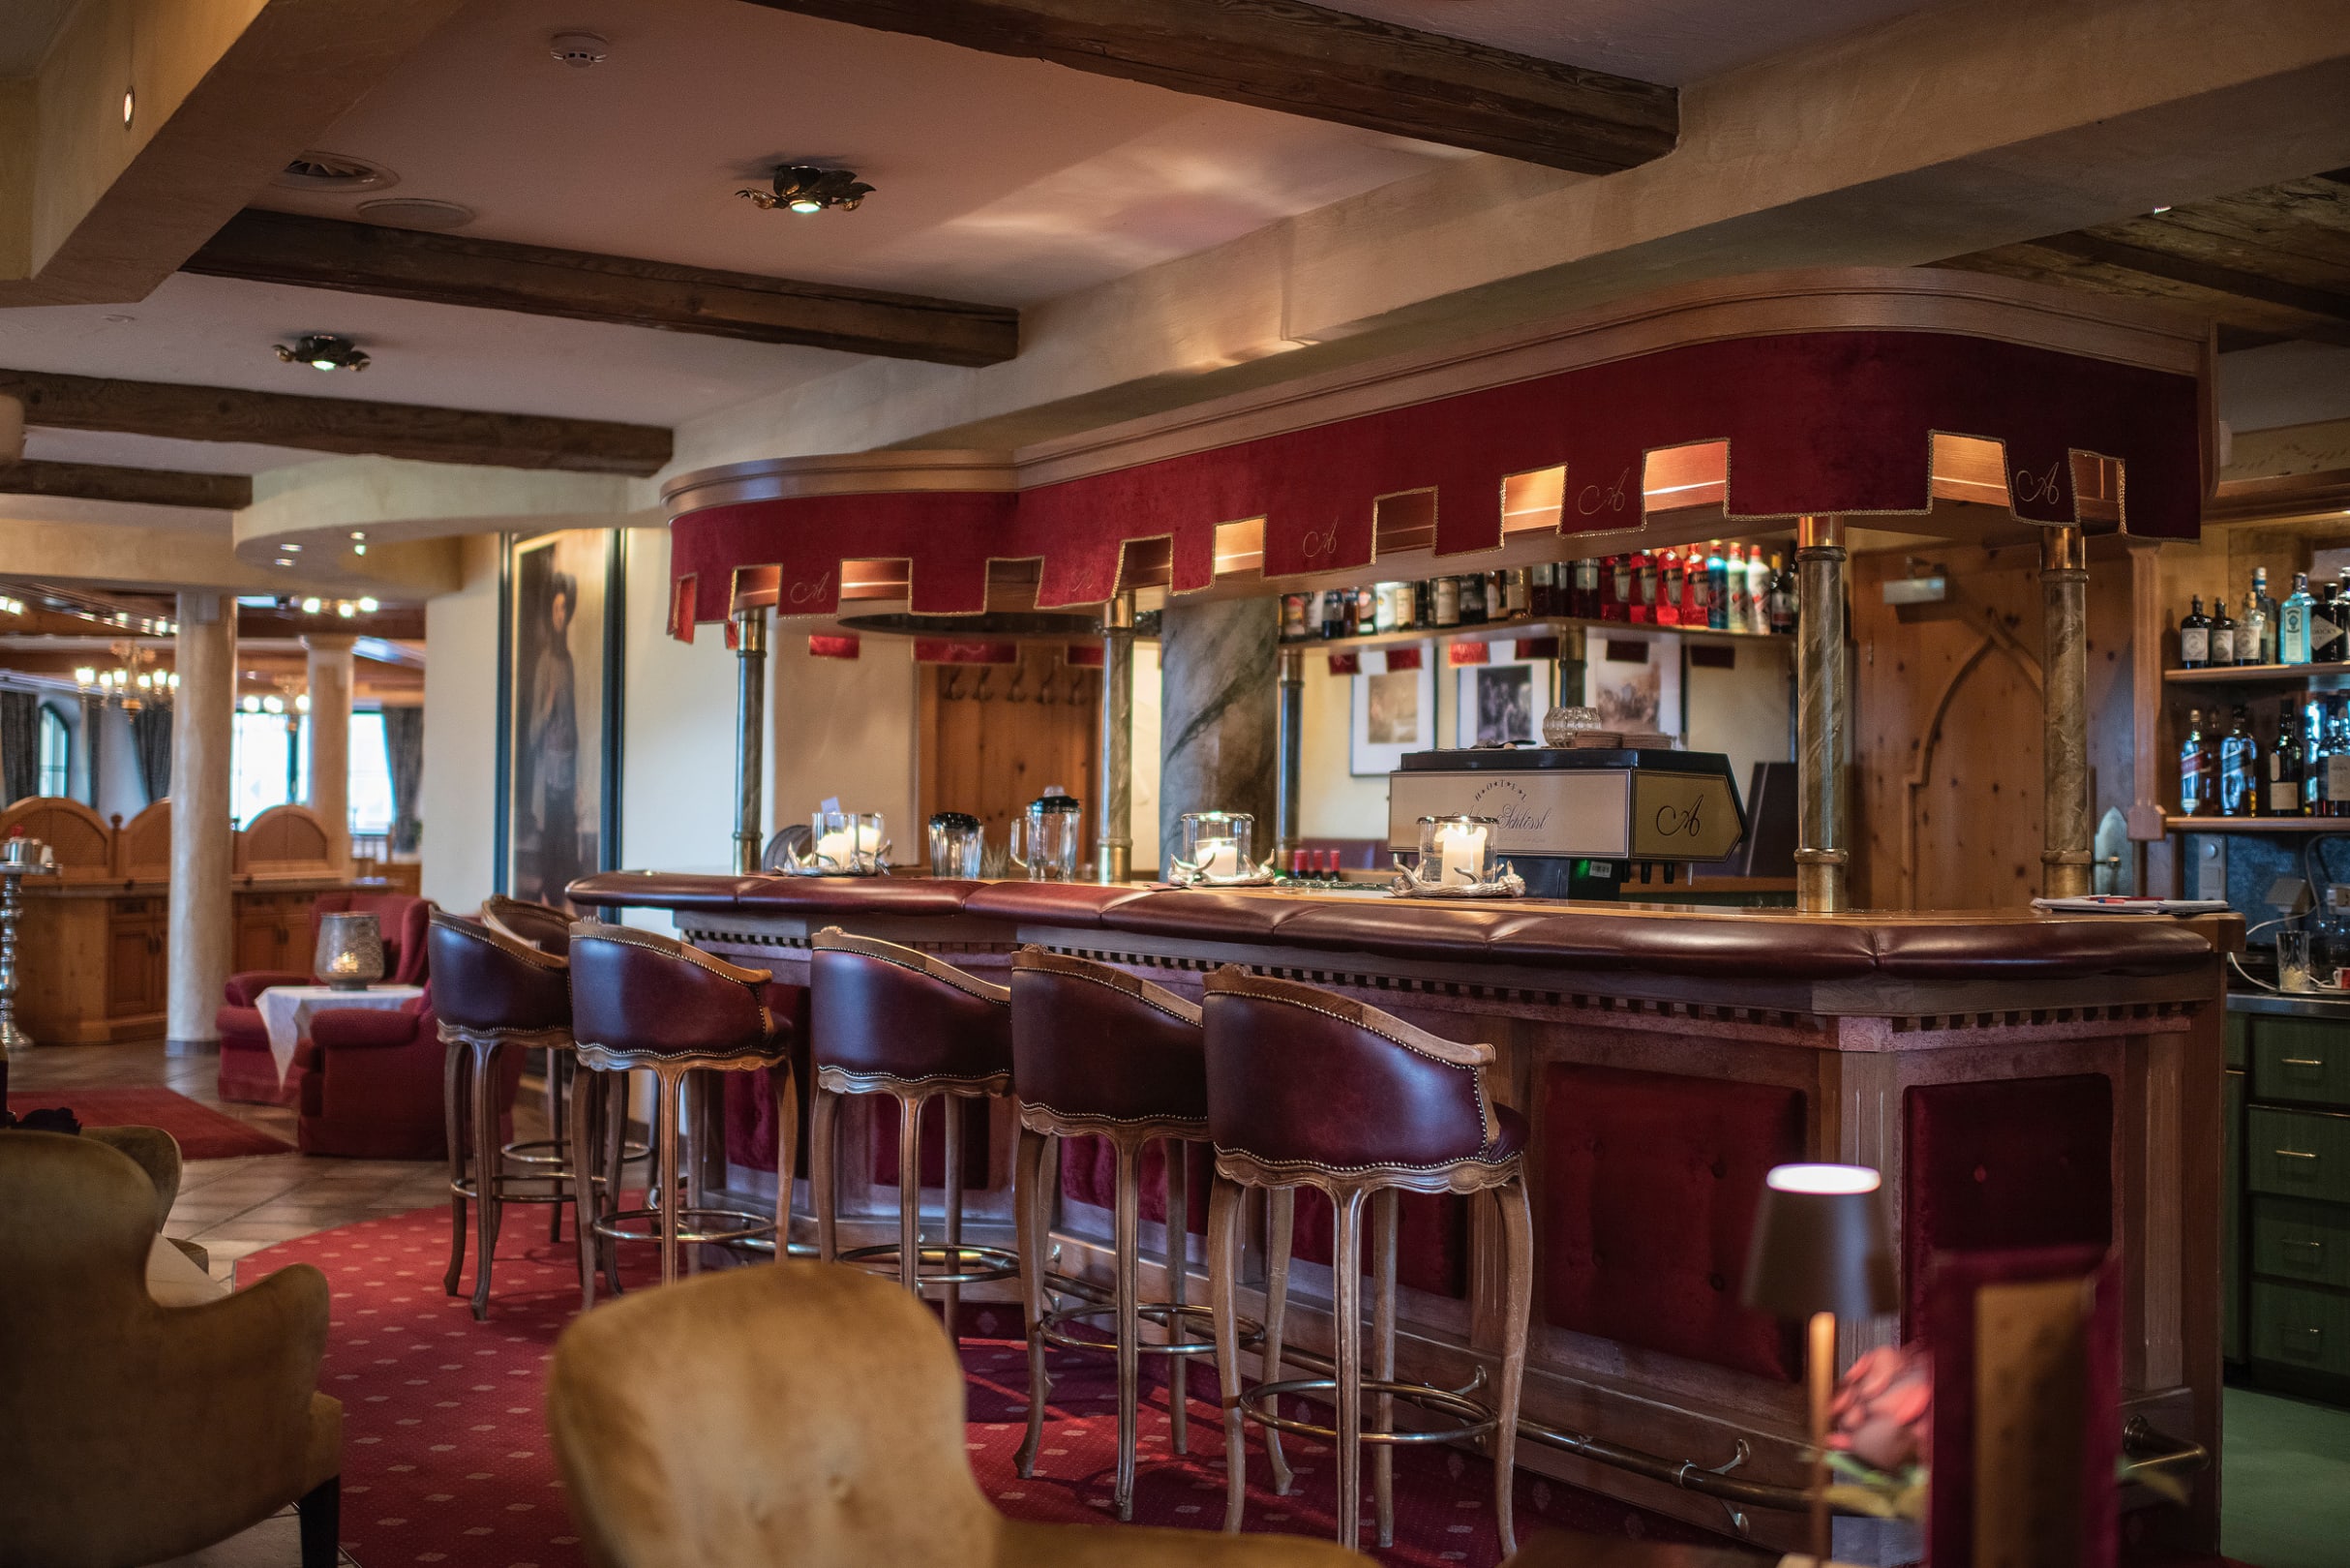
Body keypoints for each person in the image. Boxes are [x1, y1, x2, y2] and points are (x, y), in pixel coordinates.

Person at [528, 572, 581, 905]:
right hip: (548, 769)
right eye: (555, 609)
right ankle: (549, 894)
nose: (560, 615)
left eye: (564, 609)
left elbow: (574, 717)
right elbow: (533, 728)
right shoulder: (544, 662)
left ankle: (565, 894)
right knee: (551, 833)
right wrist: (547, 709)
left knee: (566, 831)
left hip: (568, 763)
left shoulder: (568, 661)